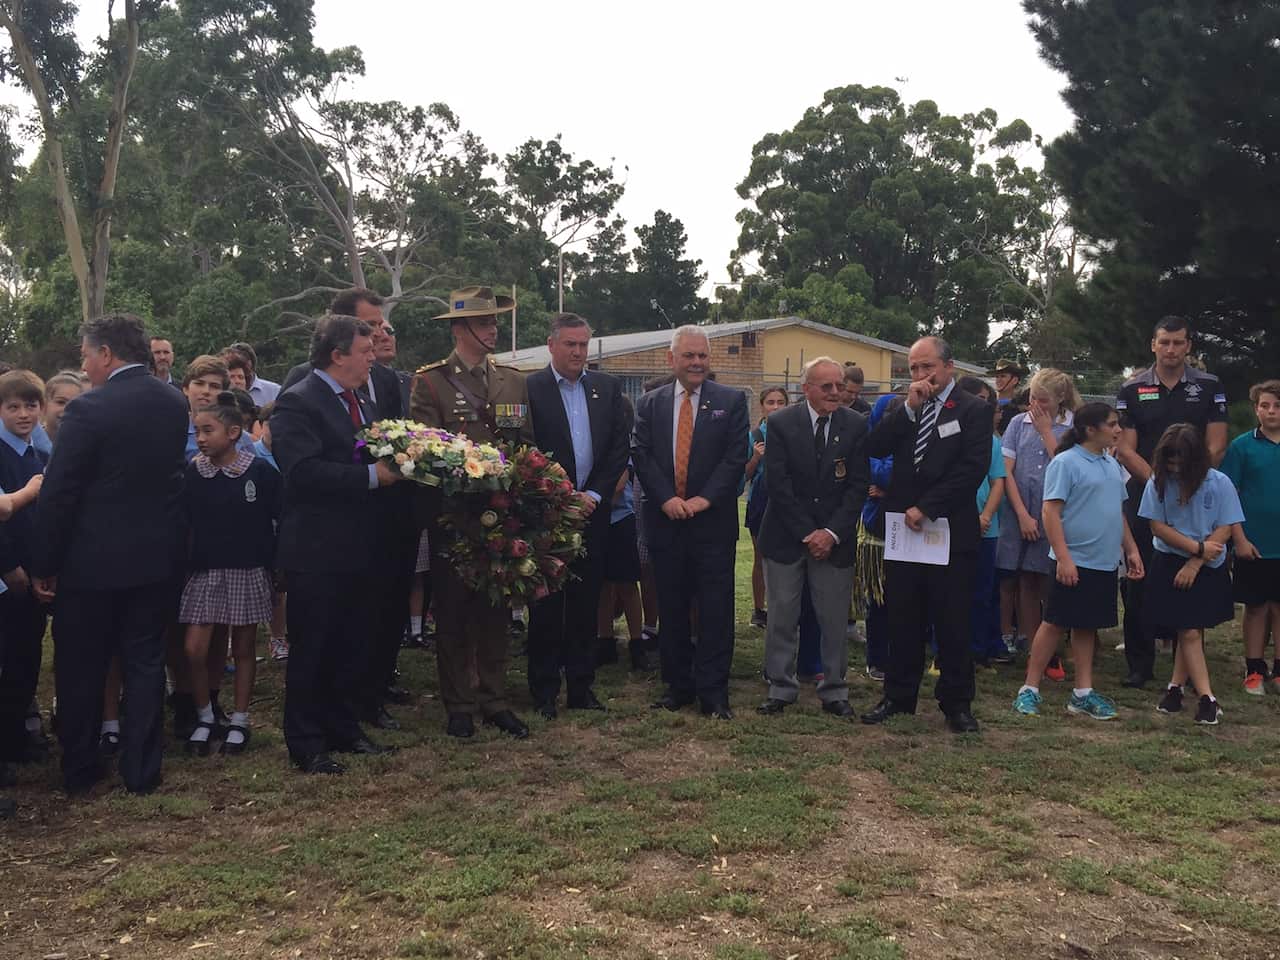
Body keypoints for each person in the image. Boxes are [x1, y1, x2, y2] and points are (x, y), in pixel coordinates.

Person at [31, 313, 189, 794]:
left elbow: (60, 491)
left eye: (85, 354)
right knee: (144, 663)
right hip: (156, 556)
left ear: (106, 354)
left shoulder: (87, 410)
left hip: (92, 562)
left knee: (83, 666)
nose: (83, 363)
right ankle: (142, 770)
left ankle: (81, 768)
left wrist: (45, 562)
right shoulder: (172, 400)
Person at [271, 313, 401, 773]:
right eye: (365, 352)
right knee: (314, 646)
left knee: (352, 642)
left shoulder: (361, 402)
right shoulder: (297, 403)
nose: (373, 358)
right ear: (337, 355)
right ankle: (306, 741)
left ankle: (343, 727)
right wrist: (373, 477)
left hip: (360, 545)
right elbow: (302, 473)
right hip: (317, 549)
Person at [410, 286, 536, 739]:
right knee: (455, 613)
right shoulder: (430, 382)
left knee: (496, 611)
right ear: (460, 329)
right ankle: (458, 703)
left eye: (495, 321)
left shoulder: (512, 380)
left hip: (501, 515)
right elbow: (424, 452)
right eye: (485, 322)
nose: (494, 329)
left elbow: (524, 445)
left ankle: (494, 698)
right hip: (454, 515)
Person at [860, 337, 990, 733]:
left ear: (949, 367)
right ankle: (899, 696)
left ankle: (956, 703)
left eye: (927, 367)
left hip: (948, 529)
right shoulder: (903, 408)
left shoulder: (973, 409)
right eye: (913, 368)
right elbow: (875, 445)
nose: (920, 375)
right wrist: (910, 409)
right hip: (905, 532)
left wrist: (928, 507)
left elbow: (972, 468)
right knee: (903, 616)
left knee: (951, 620)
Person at [632, 326, 749, 719]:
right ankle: (677, 686)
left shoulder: (731, 401)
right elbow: (642, 455)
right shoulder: (649, 403)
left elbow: (735, 458)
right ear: (672, 359)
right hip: (666, 522)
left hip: (712, 524)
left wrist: (704, 499)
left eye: (702, 356)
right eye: (689, 356)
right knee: (673, 607)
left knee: (716, 610)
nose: (697, 362)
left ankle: (714, 693)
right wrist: (666, 498)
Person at [1114, 316, 1229, 688]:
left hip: (1197, 496)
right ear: (1153, 345)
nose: (1171, 349)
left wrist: (1191, 485)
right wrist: (1160, 486)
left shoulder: (1209, 387)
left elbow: (1216, 444)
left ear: (1189, 346)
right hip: (1148, 494)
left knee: (1192, 576)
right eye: (1164, 342)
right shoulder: (1132, 389)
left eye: (1178, 343)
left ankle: (1189, 667)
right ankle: (1139, 663)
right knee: (1139, 575)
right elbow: (1125, 449)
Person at [525, 313, 629, 718]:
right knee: (547, 605)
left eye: (584, 344)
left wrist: (596, 494)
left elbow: (618, 447)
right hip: (548, 513)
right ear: (551, 345)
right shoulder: (530, 388)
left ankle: (582, 687)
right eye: (570, 344)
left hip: (592, 513)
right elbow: (524, 446)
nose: (578, 352)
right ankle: (544, 690)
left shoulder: (607, 387)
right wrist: (560, 495)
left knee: (587, 603)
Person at [1013, 403, 1144, 720]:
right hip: (1072, 560)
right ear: (1090, 430)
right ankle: (1029, 689)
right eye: (1112, 424)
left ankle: (1082, 693)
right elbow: (1050, 512)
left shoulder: (1111, 464)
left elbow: (1118, 513)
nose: (1118, 430)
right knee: (1055, 622)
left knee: (1087, 626)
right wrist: (1063, 558)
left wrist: (1132, 550)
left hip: (1104, 562)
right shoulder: (1066, 462)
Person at [755, 358, 869, 718]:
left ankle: (834, 689)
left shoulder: (856, 425)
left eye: (839, 386)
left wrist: (831, 533)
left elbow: (857, 487)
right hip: (787, 538)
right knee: (783, 616)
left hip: (835, 542)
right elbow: (779, 485)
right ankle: (781, 687)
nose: (836, 392)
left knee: (833, 619)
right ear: (806, 389)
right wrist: (808, 533)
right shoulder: (780, 423)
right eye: (827, 387)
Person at [179, 392, 281, 756]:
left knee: (242, 648)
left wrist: (275, 564)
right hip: (205, 571)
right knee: (194, 649)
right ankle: (205, 714)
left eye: (208, 430)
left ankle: (239, 719)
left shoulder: (258, 471)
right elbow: (185, 521)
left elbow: (277, 517)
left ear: (234, 432)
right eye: (197, 431)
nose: (201, 438)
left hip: (247, 569)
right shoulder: (194, 472)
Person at [1140, 424, 1244, 725]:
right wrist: (1195, 548)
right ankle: (1183, 690)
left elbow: (1226, 525)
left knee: (1190, 630)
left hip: (1207, 565)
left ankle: (1203, 697)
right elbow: (1157, 526)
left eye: (1179, 462)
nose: (1174, 468)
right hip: (1171, 559)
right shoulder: (1157, 481)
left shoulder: (1219, 482)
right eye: (1169, 462)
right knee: (1186, 630)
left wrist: (1196, 561)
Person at [996, 369, 1081, 681]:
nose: (1036, 404)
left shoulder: (1073, 426)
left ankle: (1054, 647)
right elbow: (1006, 471)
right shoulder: (1018, 424)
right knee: (1026, 582)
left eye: (1043, 400)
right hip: (1022, 513)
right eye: (1032, 397)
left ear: (1060, 399)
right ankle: (1034, 647)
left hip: (1057, 517)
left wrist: (1047, 432)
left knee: (1052, 584)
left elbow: (1070, 468)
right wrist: (1020, 514)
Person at [0, 371, 50, 768]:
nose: (23, 414)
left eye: (30, 405)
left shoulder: (38, 455)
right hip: (7, 578)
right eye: (13, 406)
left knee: (25, 661)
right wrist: (9, 566)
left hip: (32, 578)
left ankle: (17, 739)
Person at [1221, 380, 1280, 694]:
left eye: (1277, 406)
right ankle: (1254, 666)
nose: (1271, 412)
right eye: (1264, 405)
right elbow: (1228, 494)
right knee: (1256, 607)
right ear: (1256, 408)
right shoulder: (1242, 446)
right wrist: (1238, 539)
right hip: (1254, 543)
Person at [956, 376, 1008, 666]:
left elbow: (998, 482)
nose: (987, 406)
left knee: (981, 592)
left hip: (985, 530)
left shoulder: (992, 442)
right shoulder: (947, 434)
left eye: (989, 402)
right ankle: (946, 649)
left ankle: (976, 650)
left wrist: (985, 516)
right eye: (982, 400)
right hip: (950, 526)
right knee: (950, 594)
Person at [744, 386, 789, 627]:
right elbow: (744, 475)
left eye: (780, 402)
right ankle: (759, 610)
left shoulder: (793, 432)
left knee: (785, 559)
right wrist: (755, 458)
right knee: (760, 557)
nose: (775, 407)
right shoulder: (754, 436)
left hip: (786, 502)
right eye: (770, 402)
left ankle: (782, 608)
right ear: (762, 406)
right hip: (760, 501)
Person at [252, 402, 289, 662]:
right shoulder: (251, 453)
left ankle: (278, 637)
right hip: (260, 529)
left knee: (280, 588)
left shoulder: (292, 453)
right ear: (262, 426)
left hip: (287, 527)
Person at [225, 341, 280, 406]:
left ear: (251, 364)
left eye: (240, 377)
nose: (237, 381)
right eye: (232, 376)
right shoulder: (220, 391)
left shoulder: (274, 390)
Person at [42, 371, 86, 446]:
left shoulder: (86, 444)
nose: (67, 408)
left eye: (74, 403)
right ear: (44, 405)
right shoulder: (29, 442)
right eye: (61, 402)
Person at [989, 358, 1029, 435]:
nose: (998, 380)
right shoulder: (987, 402)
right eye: (997, 377)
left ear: (1015, 380)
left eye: (1003, 376)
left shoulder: (1020, 409)